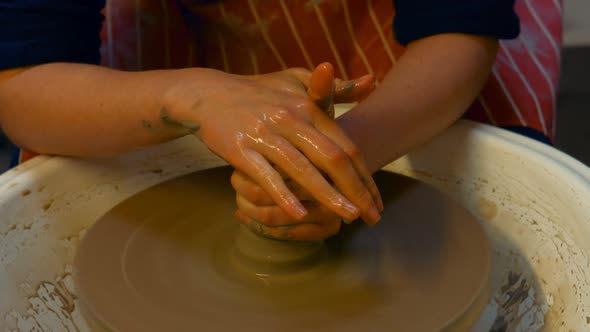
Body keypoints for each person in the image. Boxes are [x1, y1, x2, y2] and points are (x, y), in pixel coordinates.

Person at [0, 0, 562, 241]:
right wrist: (189, 96)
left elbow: (457, 28)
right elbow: (20, 80)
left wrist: (341, 157)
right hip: (188, 47)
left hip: (418, 47)